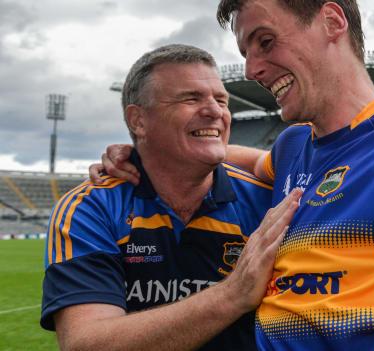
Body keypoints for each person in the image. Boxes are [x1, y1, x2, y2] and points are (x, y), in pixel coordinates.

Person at [92, 1, 374, 350]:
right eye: (247, 51)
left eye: (266, 41)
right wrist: (140, 150)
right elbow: (243, 159)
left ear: (333, 22)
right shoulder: (294, 147)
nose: (252, 69)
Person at [42, 44, 303, 351]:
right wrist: (233, 294)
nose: (215, 111)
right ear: (138, 120)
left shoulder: (270, 201)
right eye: (191, 98)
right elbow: (86, 345)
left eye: (221, 100)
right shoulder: (92, 207)